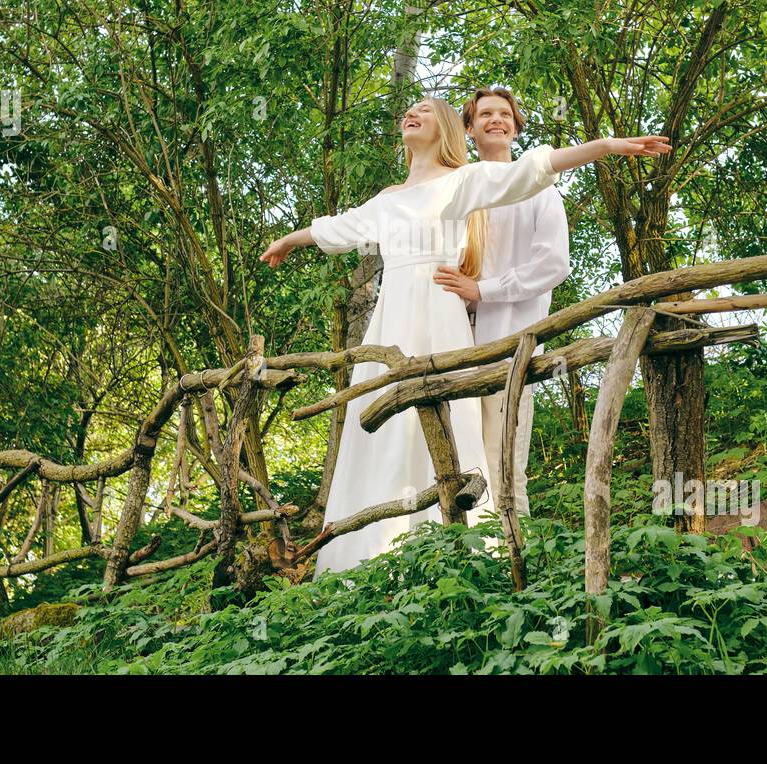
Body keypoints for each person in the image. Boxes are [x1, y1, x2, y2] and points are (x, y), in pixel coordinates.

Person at [260, 95, 670, 574]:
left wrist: (604, 146)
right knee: (385, 424)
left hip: (441, 317)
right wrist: (289, 239)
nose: (413, 114)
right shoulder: (387, 199)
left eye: (427, 111)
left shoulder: (461, 182)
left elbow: (534, 168)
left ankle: (465, 553)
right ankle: (369, 559)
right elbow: (336, 229)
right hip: (392, 319)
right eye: (409, 109)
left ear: (448, 130)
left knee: (451, 421)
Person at [434, 87, 569, 516]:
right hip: (451, 344)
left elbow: (553, 264)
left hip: (509, 342)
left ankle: (515, 562)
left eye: (505, 114)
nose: (497, 119)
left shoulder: (539, 189)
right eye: (485, 114)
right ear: (469, 128)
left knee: (505, 458)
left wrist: (484, 291)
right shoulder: (454, 192)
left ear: (515, 126)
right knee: (454, 458)